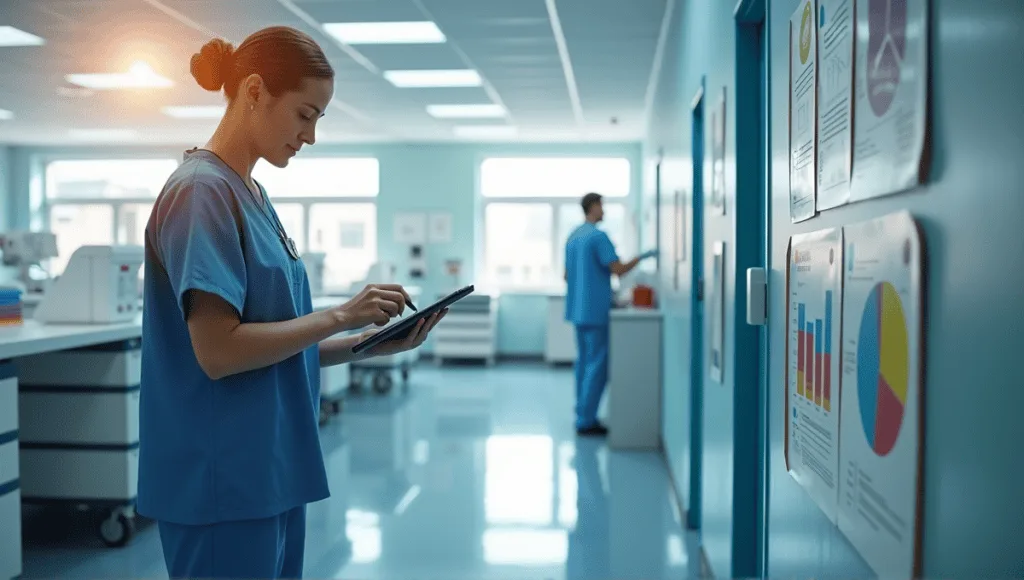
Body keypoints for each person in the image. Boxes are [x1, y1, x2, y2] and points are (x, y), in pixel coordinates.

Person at [137, 26, 446, 579]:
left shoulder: (252, 194)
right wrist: (340, 314)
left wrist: (361, 345)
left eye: (318, 119)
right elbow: (220, 352)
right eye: (305, 115)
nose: (310, 136)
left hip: (269, 467)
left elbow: (273, 343)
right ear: (254, 90)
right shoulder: (201, 192)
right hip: (221, 476)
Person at [564, 192, 656, 436]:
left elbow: (566, 275)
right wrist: (642, 257)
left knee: (584, 363)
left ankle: (581, 414)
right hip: (595, 311)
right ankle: (587, 421)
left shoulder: (573, 236)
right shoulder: (598, 236)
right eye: (601, 206)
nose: (603, 210)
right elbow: (618, 269)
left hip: (577, 310)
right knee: (597, 365)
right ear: (592, 207)